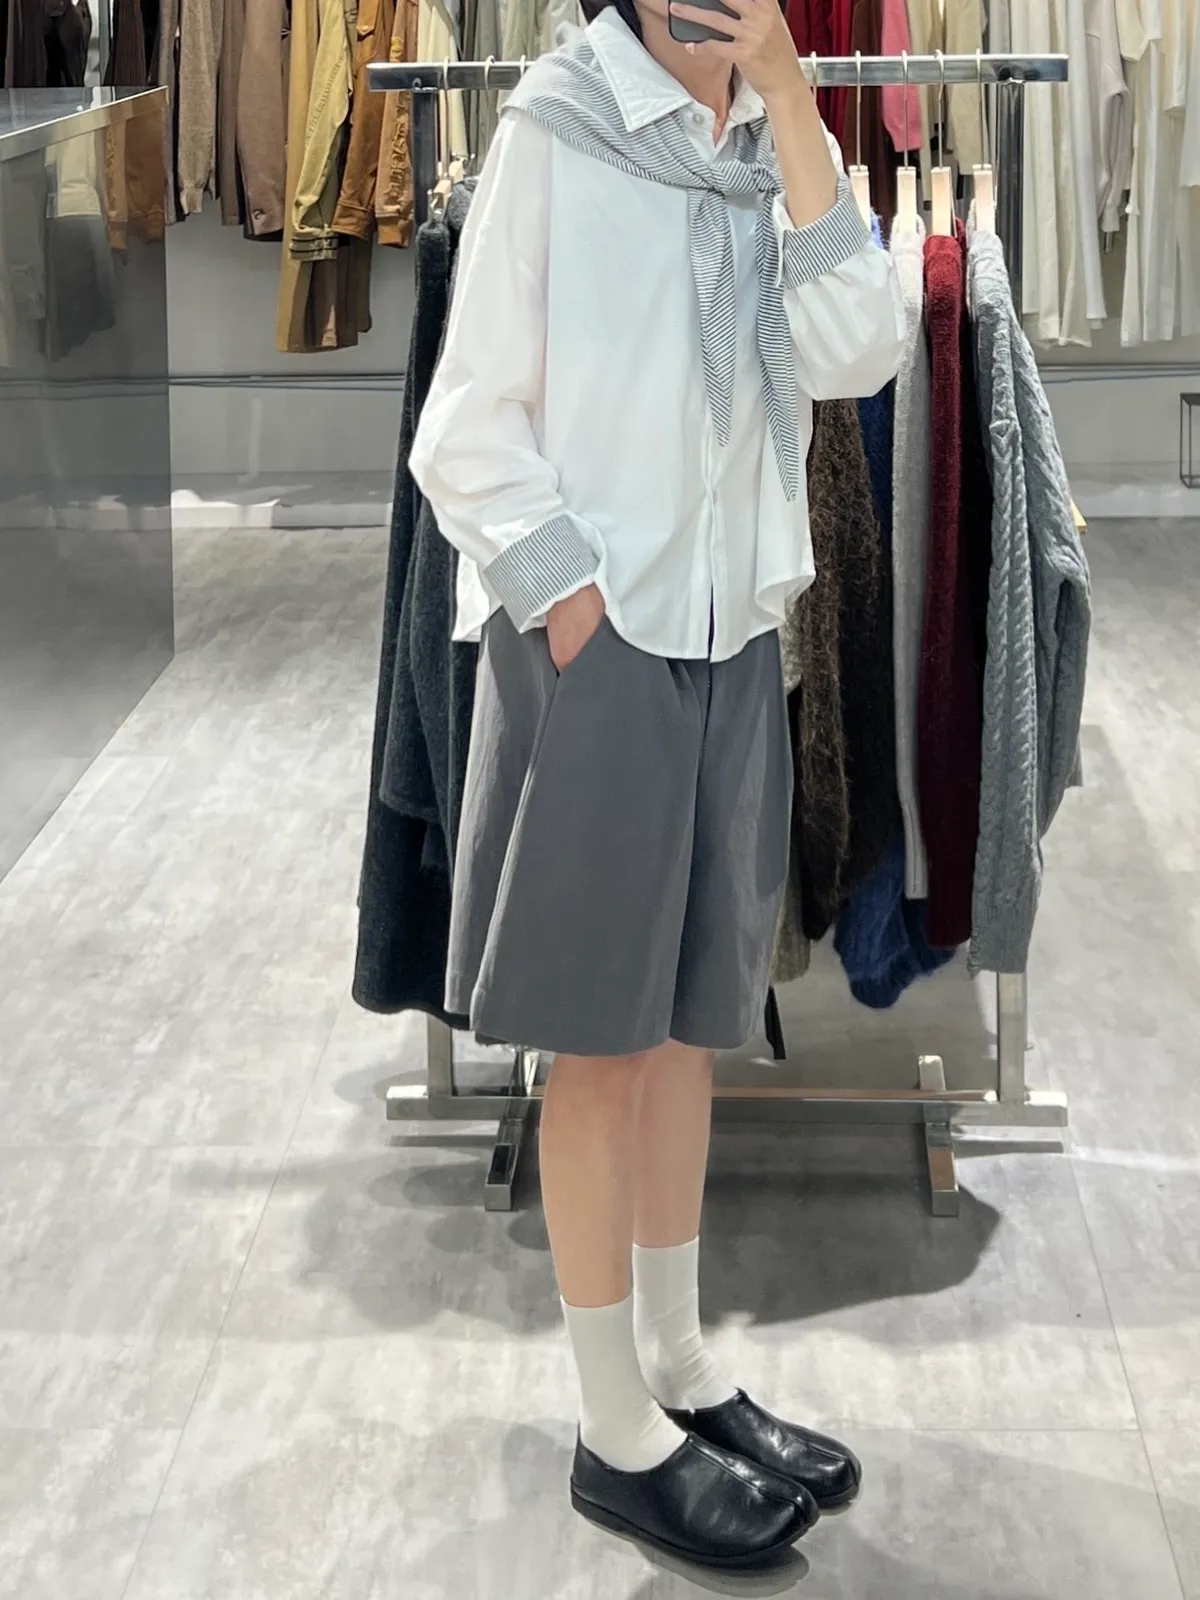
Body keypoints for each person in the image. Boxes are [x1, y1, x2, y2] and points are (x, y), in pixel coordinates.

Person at [411, 0, 905, 1569]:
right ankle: (613, 1427)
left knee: (692, 1025)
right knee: (602, 1048)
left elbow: (862, 349)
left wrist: (795, 104)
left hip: (732, 632)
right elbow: (465, 426)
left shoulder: (763, 147)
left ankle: (683, 1368)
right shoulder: (557, 128)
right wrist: (575, 606)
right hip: (606, 645)